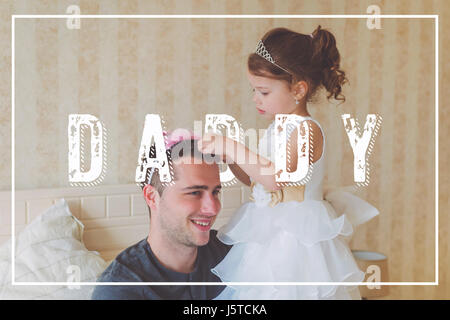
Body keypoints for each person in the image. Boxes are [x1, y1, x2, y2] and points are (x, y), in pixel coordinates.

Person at [197, 26, 379, 299]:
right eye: (254, 90)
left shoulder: (306, 130)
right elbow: (260, 180)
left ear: (298, 89)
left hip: (297, 240)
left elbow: (277, 178)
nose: (255, 99)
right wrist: (232, 160)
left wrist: (233, 146)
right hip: (270, 233)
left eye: (264, 92)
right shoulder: (276, 128)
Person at [92, 130, 230, 300]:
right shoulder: (119, 290)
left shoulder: (231, 253)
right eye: (195, 193)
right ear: (152, 197)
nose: (213, 208)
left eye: (215, 192)